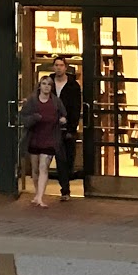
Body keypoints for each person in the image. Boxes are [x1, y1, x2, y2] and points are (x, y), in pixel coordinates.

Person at [20, 75, 64, 208]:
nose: (46, 87)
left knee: (44, 167)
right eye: (44, 84)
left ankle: (40, 197)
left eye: (49, 84)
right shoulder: (32, 101)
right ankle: (37, 193)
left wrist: (63, 120)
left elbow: (63, 114)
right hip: (34, 138)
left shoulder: (55, 102)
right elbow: (23, 118)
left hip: (50, 138)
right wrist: (34, 118)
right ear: (40, 86)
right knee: (35, 169)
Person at [49, 55, 82, 199]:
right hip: (51, 128)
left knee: (67, 159)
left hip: (67, 128)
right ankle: (65, 190)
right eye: (56, 65)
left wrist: (71, 128)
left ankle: (66, 185)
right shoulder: (48, 83)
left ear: (65, 67)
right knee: (57, 159)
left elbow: (76, 108)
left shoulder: (73, 86)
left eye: (61, 65)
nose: (58, 68)